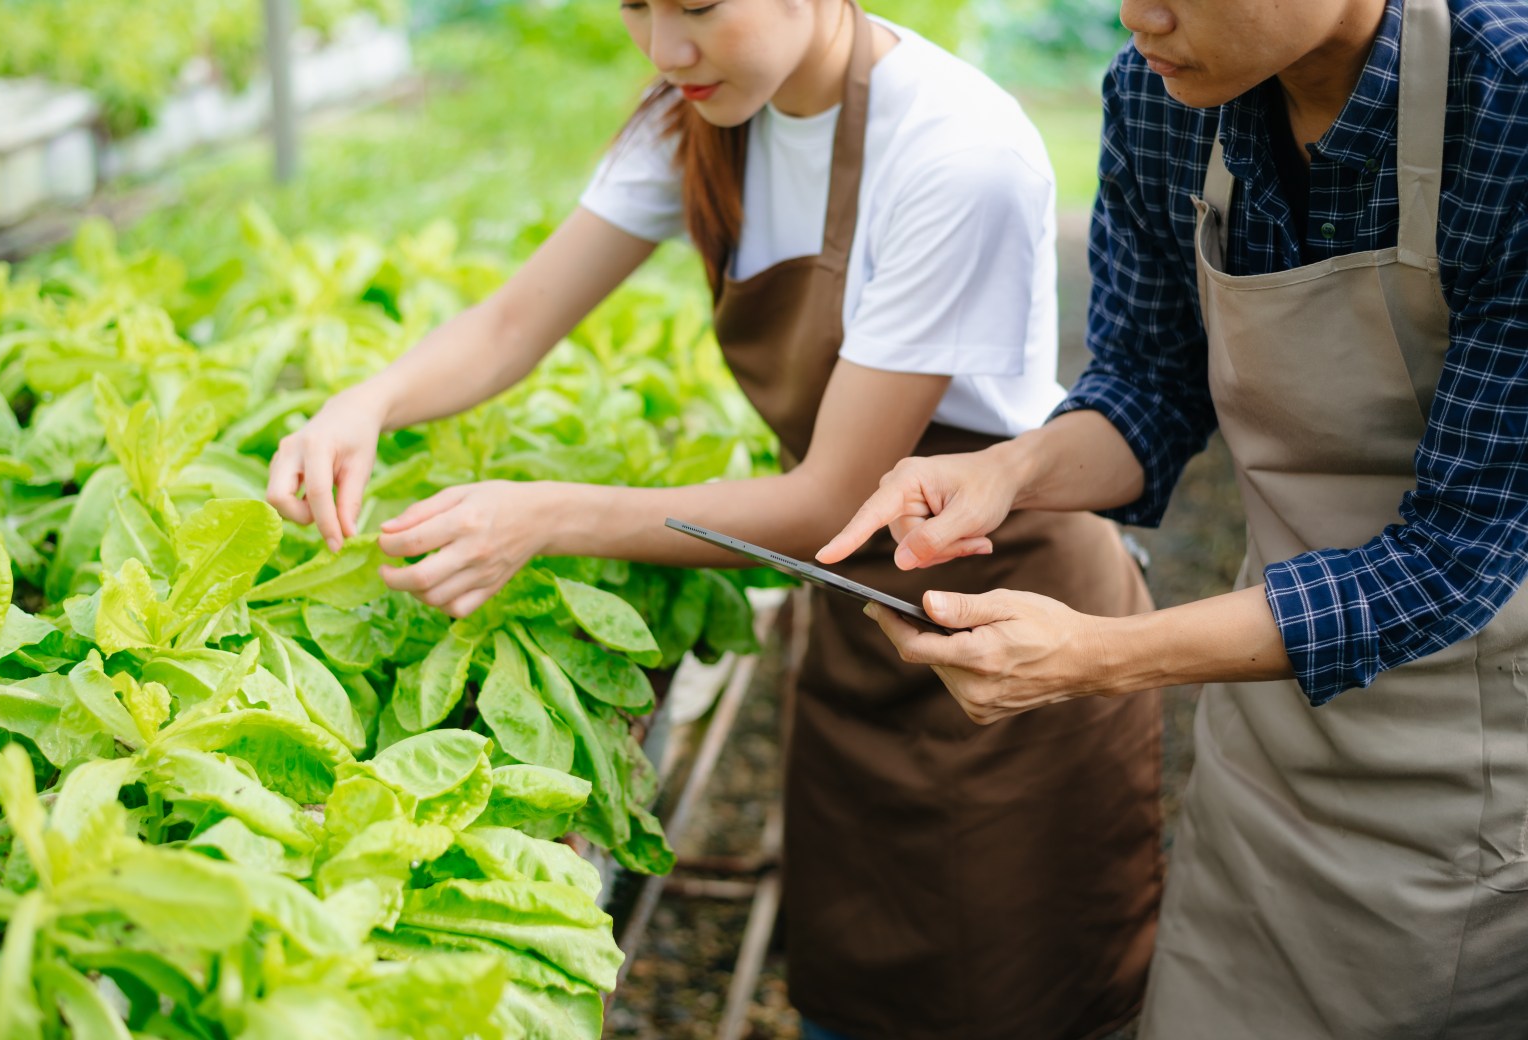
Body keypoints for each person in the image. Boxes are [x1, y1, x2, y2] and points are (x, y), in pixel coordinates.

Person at [266, 2, 1163, 1037]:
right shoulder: (703, 112)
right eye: (634, 9)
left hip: (1011, 623)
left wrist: (546, 515)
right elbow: (516, 318)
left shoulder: (956, 148)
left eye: (696, 7)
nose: (664, 48)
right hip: (862, 609)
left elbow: (832, 491)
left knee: (1016, 996)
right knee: (854, 986)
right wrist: (366, 401)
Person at [819, 0, 1528, 1035]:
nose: (1133, 14)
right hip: (1269, 736)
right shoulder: (1159, 98)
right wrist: (1004, 471)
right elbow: (1149, 387)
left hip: (1483, 760)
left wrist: (1102, 654)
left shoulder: (1505, 103)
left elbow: (1453, 556)